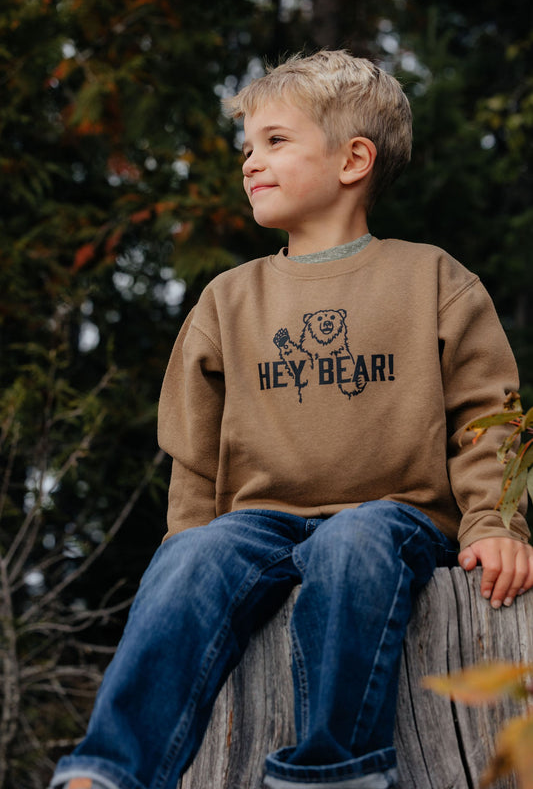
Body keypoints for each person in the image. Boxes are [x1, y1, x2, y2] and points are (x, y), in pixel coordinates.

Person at [49, 50, 533, 789]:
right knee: (189, 560)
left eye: (274, 141)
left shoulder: (432, 277)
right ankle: (108, 771)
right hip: (259, 522)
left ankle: (332, 772)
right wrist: (188, 547)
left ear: (353, 160)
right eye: (247, 146)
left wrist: (494, 524)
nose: (250, 161)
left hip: (398, 516)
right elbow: (194, 449)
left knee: (350, 542)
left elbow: (488, 417)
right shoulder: (227, 298)